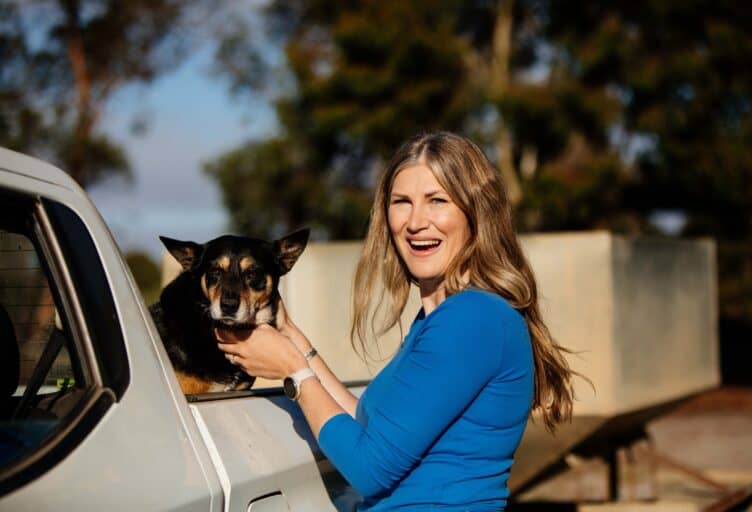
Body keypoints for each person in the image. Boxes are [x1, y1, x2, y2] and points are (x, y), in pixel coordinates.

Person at [217, 131, 576, 511]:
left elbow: (369, 467)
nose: (416, 222)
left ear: (475, 213)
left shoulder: (473, 318)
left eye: (437, 201)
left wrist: (291, 371)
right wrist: (292, 338)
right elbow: (366, 425)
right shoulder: (438, 319)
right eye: (401, 202)